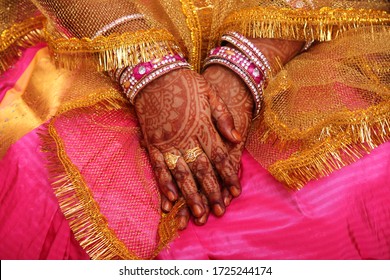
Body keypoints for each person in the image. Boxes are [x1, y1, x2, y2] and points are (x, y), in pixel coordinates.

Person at [0, 0, 389, 260]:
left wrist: (249, 58)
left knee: (363, 173)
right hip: (96, 13)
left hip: (304, 18)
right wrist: (148, 67)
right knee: (36, 169)